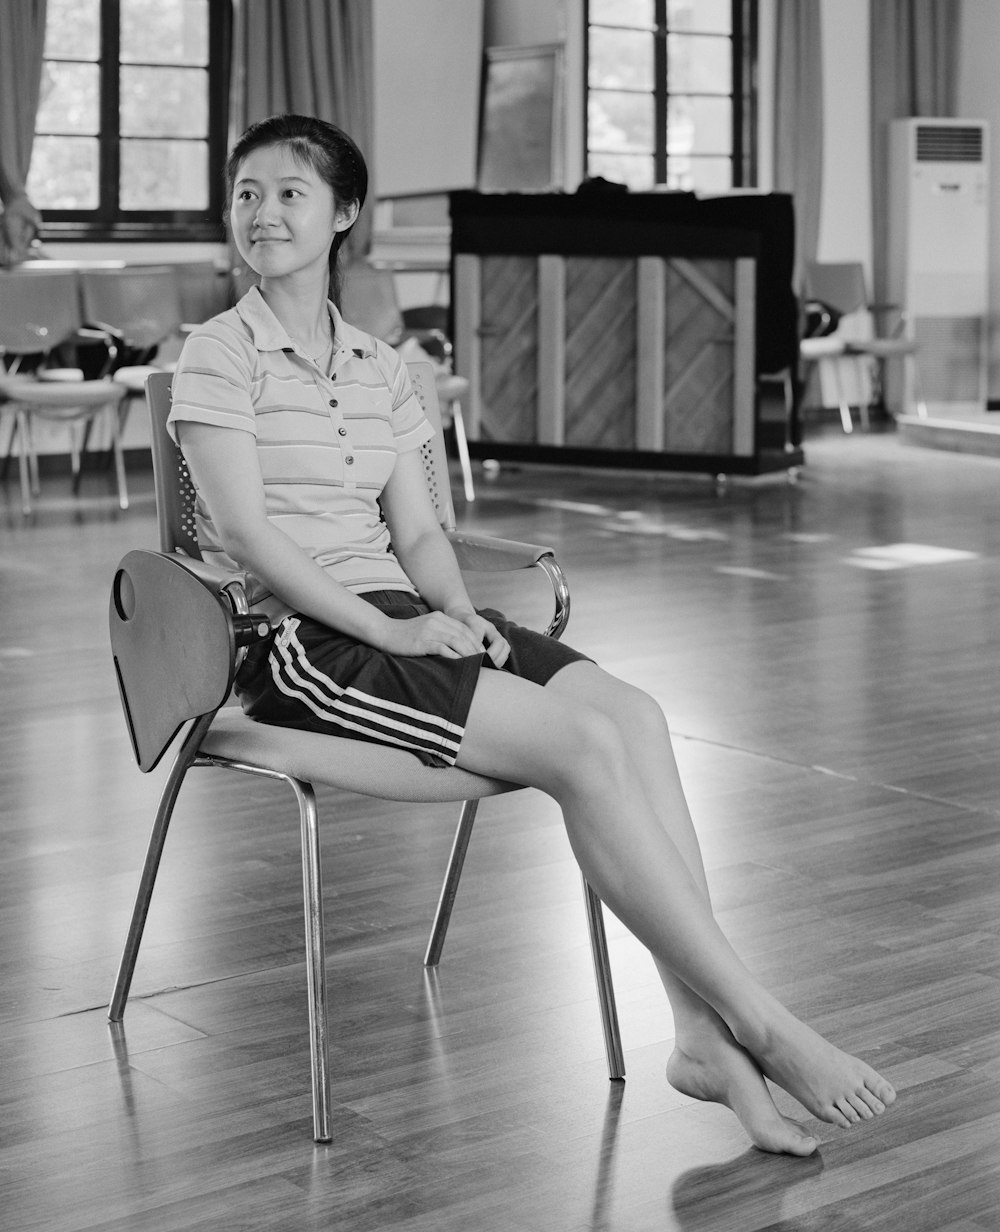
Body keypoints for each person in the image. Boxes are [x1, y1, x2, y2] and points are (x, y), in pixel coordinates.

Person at [169, 114, 896, 1157]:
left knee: (633, 716)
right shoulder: (218, 352)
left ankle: (696, 1032)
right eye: (246, 192)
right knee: (582, 748)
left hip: (399, 613)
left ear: (344, 217)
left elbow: (418, 526)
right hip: (296, 641)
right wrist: (388, 625)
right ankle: (762, 1021)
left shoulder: (380, 365)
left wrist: (454, 612)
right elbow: (242, 527)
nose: (263, 212)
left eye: (289, 192)